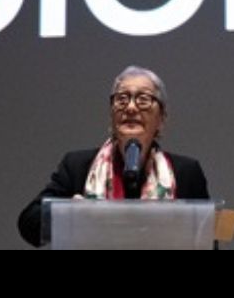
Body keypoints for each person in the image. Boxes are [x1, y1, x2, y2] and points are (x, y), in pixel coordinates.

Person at [17, 65, 210, 247]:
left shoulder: (186, 172)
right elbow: (29, 224)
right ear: (112, 114)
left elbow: (209, 240)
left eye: (143, 99)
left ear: (161, 119)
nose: (131, 108)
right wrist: (69, 213)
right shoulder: (77, 166)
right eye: (122, 99)